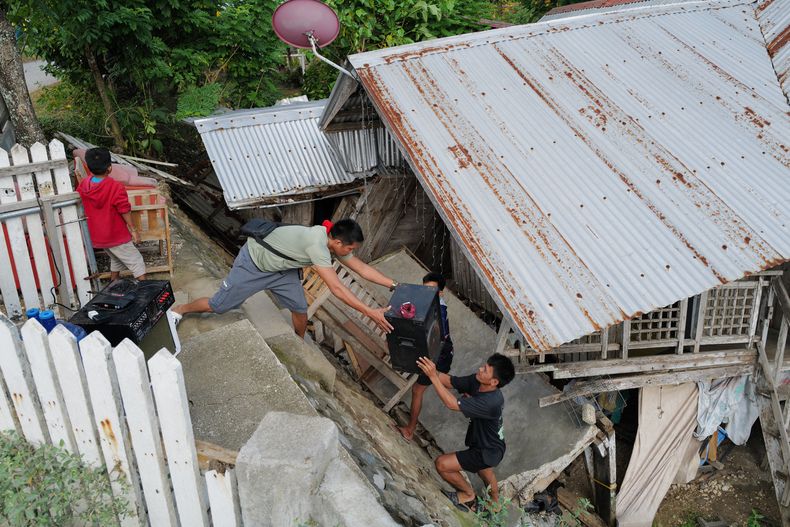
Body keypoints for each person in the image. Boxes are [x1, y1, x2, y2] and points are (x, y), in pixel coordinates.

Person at [171, 219, 397, 337]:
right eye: (349, 248)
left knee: (299, 308)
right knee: (218, 306)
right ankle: (181, 309)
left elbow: (362, 268)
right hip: (255, 264)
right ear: (337, 242)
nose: (350, 252)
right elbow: (336, 288)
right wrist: (369, 312)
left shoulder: (332, 242)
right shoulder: (316, 244)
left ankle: (298, 340)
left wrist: (394, 285)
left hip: (282, 270)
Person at [416, 353, 515, 512]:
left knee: (442, 464)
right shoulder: (478, 381)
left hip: (487, 451)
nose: (480, 369)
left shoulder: (491, 402)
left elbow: (452, 404)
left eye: (485, 370)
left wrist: (433, 376)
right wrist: (425, 367)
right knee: (485, 471)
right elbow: (450, 381)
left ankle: (468, 494)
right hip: (489, 444)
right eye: (483, 366)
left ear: (494, 382)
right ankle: (495, 503)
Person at [397, 272, 453, 441]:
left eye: (432, 290)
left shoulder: (440, 311)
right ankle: (469, 389)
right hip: (434, 353)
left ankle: (410, 429)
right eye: (425, 288)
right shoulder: (427, 303)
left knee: (418, 390)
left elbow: (436, 337)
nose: (427, 292)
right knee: (444, 380)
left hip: (439, 356)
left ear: (440, 293)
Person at [77, 147, 146, 281]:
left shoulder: (85, 184)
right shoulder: (115, 187)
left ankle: (113, 286)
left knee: (116, 258)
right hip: (115, 234)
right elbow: (124, 209)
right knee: (136, 261)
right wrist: (133, 230)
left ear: (89, 168)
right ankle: (147, 293)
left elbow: (83, 192)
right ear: (109, 168)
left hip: (98, 236)